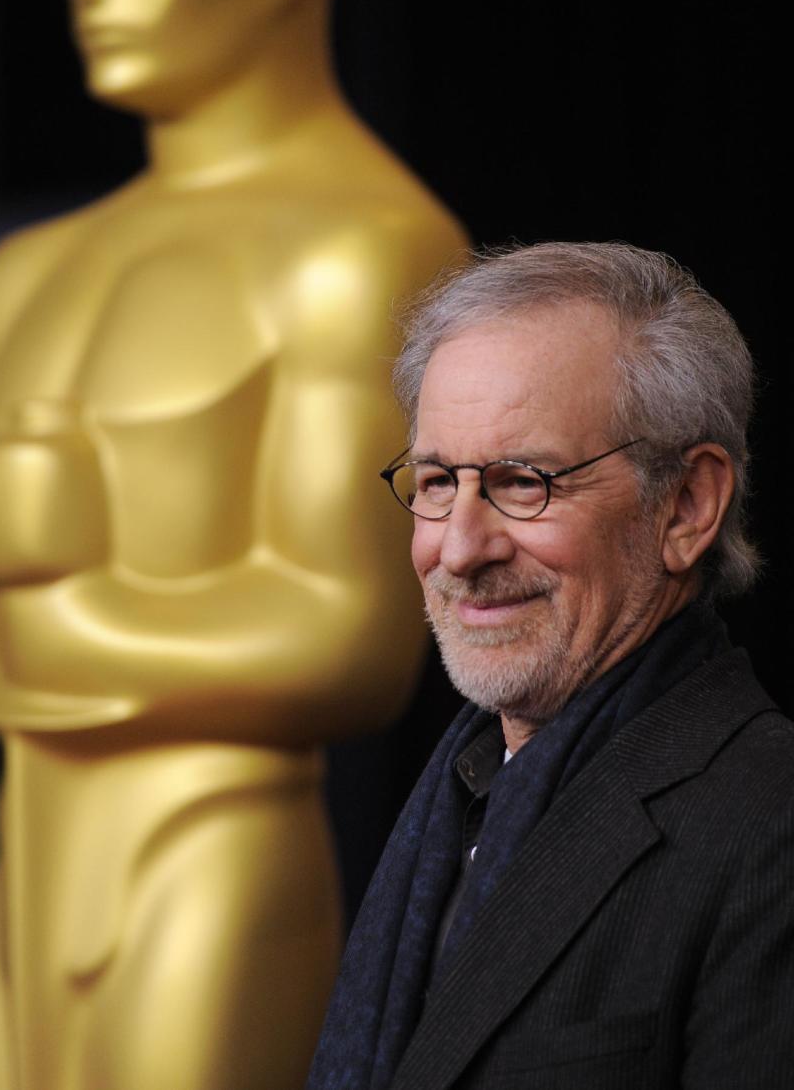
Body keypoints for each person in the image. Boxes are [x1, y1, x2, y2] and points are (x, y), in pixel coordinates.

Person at [0, 0, 466, 1090]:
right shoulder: (28, 275)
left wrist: (61, 619)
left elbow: (353, 640)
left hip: (213, 852)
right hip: (28, 862)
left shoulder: (362, 247)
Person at [307, 241, 794, 1090]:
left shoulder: (770, 824)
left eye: (523, 482)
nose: (459, 548)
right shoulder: (459, 793)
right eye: (435, 482)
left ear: (686, 505)